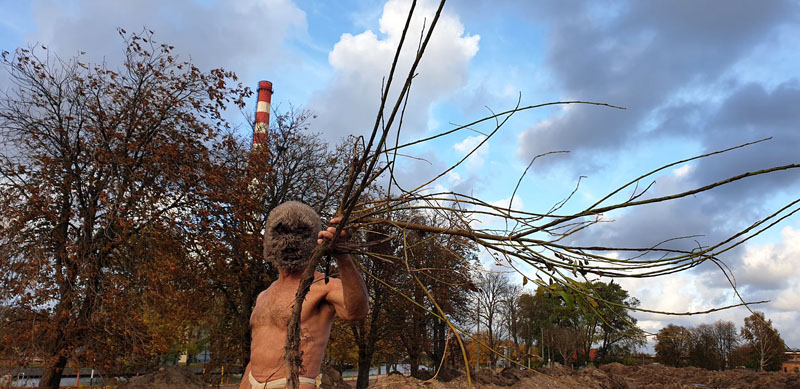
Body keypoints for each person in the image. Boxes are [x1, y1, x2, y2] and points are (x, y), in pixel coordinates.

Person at [241, 201, 369, 389]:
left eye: (300, 233)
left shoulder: (323, 286)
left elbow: (357, 311)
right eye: (281, 231)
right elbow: (256, 352)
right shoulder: (263, 296)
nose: (290, 240)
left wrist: (343, 257)